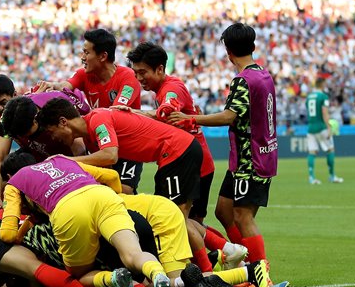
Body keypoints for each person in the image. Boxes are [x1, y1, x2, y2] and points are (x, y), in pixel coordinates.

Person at [36, 98, 230, 274]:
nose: (53, 138)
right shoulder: (92, 136)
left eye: (52, 132)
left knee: (173, 218)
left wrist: (67, 161)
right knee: (171, 216)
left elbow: (110, 155)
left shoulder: (98, 119)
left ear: (63, 122)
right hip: (171, 155)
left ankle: (208, 270)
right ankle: (220, 256)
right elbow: (109, 168)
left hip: (177, 151)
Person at [0, 151, 175, 287]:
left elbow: (7, 234)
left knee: (77, 276)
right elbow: (112, 177)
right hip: (102, 196)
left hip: (68, 209)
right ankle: (158, 275)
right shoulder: (59, 160)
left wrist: (17, 236)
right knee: (132, 254)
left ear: (8, 177)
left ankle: (113, 279)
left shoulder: (15, 182)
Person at [166, 23, 279, 275]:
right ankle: (241, 260)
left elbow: (230, 116)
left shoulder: (243, 80)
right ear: (253, 46)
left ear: (228, 51)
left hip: (251, 160)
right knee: (223, 210)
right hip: (253, 157)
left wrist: (191, 118)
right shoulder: (263, 74)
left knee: (242, 216)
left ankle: (260, 274)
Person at [0, 75, 91, 208]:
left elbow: (79, 145)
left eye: (3, 102)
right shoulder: (3, 119)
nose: (0, 109)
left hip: (71, 158)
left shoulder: (47, 107)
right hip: (42, 161)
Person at [35, 29, 143, 194]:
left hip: (128, 146)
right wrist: (52, 86)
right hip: (102, 143)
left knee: (123, 192)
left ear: (102, 56)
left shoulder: (128, 78)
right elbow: (65, 85)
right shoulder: (84, 74)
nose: (82, 57)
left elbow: (115, 114)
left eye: (86, 52)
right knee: (104, 193)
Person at [125, 41, 215, 225]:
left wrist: (133, 113)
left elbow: (167, 110)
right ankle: (224, 252)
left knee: (177, 220)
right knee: (189, 222)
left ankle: (227, 251)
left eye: (142, 72)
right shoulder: (162, 88)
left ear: (159, 69)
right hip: (192, 162)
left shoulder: (172, 88)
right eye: (135, 73)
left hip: (192, 165)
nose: (139, 78)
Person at [305, 77, 344, 184]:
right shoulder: (323, 96)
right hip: (321, 127)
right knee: (330, 150)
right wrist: (329, 127)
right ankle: (332, 176)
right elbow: (324, 113)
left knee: (312, 152)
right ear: (322, 85)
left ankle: (311, 178)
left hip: (311, 127)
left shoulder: (309, 97)